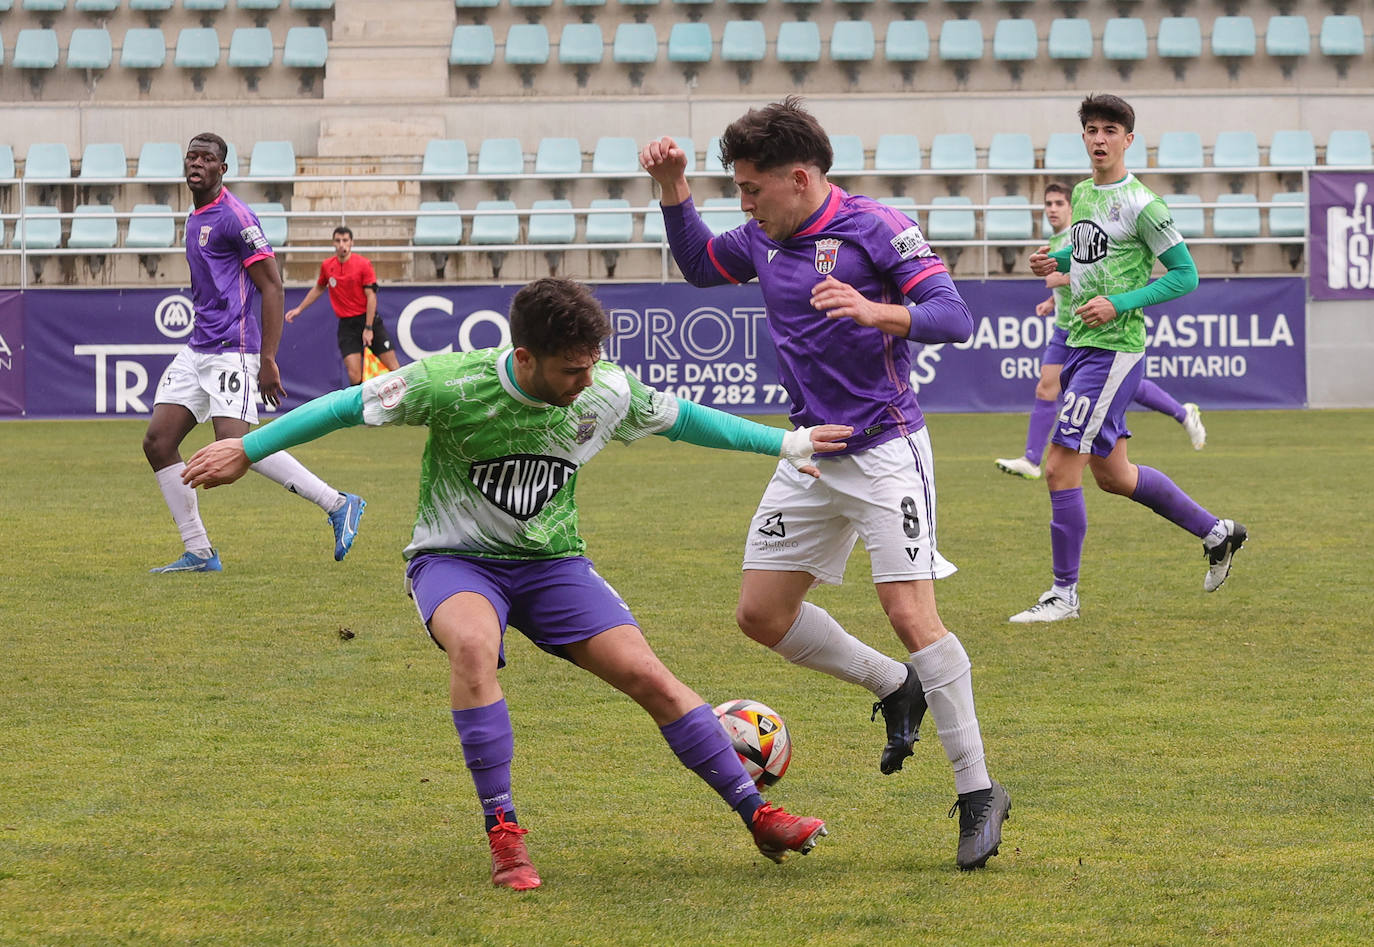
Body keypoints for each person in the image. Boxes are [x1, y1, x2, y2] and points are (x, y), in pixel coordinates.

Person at [182, 277, 849, 890]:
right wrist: (247, 448)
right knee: (473, 647)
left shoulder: (605, 387)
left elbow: (687, 420)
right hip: (456, 559)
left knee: (647, 672)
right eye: (571, 368)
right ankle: (504, 832)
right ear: (525, 358)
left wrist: (782, 444)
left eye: (592, 364)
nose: (587, 381)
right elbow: (343, 407)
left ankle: (758, 815)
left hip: (553, 564)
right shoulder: (451, 383)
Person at [640, 97, 1011, 871]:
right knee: (760, 613)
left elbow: (954, 316)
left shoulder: (875, 227)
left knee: (911, 612)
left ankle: (978, 788)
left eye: (751, 190)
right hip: (810, 452)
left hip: (885, 450)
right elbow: (703, 268)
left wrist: (876, 310)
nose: (742, 205)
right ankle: (893, 686)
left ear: (799, 178)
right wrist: (674, 190)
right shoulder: (762, 238)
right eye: (736, 190)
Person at [1012, 94, 1248, 624]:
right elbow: (1089, 247)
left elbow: (1185, 275)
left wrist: (1119, 302)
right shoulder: (1082, 193)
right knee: (1114, 475)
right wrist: (1055, 258)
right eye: (1092, 129)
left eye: (1110, 130)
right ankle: (1218, 533)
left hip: (1114, 351)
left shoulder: (1146, 205)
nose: (1099, 139)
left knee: (1057, 468)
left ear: (1128, 140)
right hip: (1080, 342)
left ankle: (1063, 594)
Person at [141, 132, 365, 573]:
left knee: (235, 443)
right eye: (192, 156)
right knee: (158, 442)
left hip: (234, 349)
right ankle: (199, 552)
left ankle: (338, 503)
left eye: (207, 159)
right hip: (199, 346)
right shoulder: (195, 215)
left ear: (222, 169)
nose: (197, 163)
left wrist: (267, 358)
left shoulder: (235, 217)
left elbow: (272, 285)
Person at [995, 184, 1206, 480]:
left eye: (1058, 203)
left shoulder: (1086, 227)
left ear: (1071, 207)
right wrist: (1049, 301)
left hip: (1099, 328)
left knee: (1120, 395)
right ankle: (1032, 459)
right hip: (1068, 327)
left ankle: (1182, 414)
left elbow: (1097, 271)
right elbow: (1080, 270)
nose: (1052, 209)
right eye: (1048, 203)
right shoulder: (1057, 239)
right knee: (1048, 387)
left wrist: (1062, 279)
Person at [285, 225, 401, 386]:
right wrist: (299, 309)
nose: (341, 244)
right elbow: (319, 287)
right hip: (347, 325)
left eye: (345, 240)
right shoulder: (327, 266)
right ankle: (360, 410)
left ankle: (409, 404)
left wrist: (368, 328)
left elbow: (371, 297)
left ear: (351, 242)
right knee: (354, 375)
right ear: (333, 243)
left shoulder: (363, 264)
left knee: (394, 367)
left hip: (369, 321)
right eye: (338, 240)